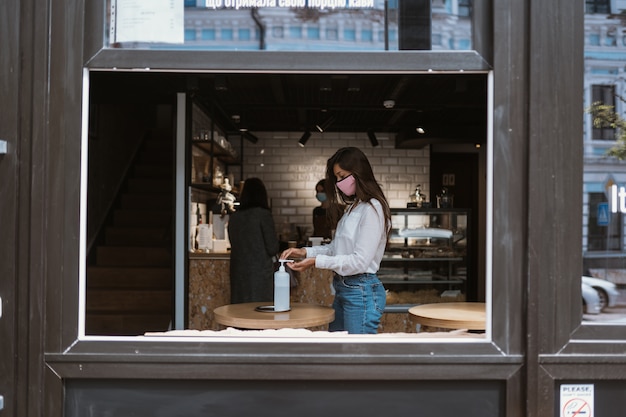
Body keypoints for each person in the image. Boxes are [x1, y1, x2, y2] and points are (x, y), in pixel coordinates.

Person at [280, 147, 391, 334]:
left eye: (342, 176)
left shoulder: (372, 209)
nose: (339, 183)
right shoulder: (353, 207)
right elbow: (336, 248)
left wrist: (316, 261)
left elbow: (359, 261)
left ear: (358, 172)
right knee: (339, 352)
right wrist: (305, 252)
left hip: (360, 291)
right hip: (344, 288)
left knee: (355, 358)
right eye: (337, 178)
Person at [228, 177, 280, 304]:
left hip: (238, 271)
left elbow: (233, 241)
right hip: (260, 273)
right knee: (260, 312)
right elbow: (272, 247)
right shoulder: (263, 215)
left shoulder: (234, 217)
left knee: (240, 311)